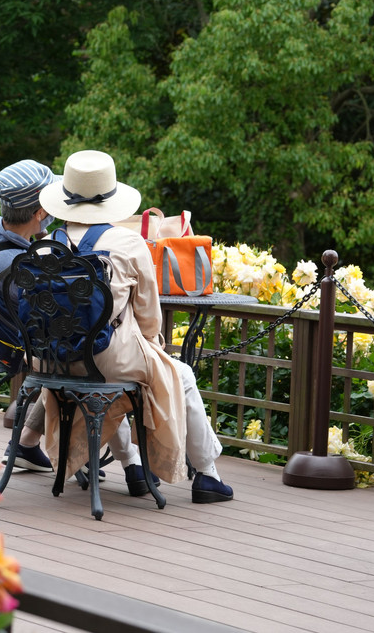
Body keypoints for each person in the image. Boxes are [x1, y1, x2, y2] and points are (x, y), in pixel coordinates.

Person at [37, 149, 233, 503]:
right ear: (110, 197)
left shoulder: (45, 247)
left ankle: (132, 466)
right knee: (178, 375)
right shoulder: (128, 243)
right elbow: (149, 318)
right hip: (108, 357)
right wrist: (153, 352)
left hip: (52, 361)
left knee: (111, 380)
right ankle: (207, 475)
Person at [0, 159, 155, 496]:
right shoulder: (19, 264)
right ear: (41, 210)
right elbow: (50, 321)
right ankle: (128, 465)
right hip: (19, 346)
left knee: (81, 359)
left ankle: (28, 443)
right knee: (93, 359)